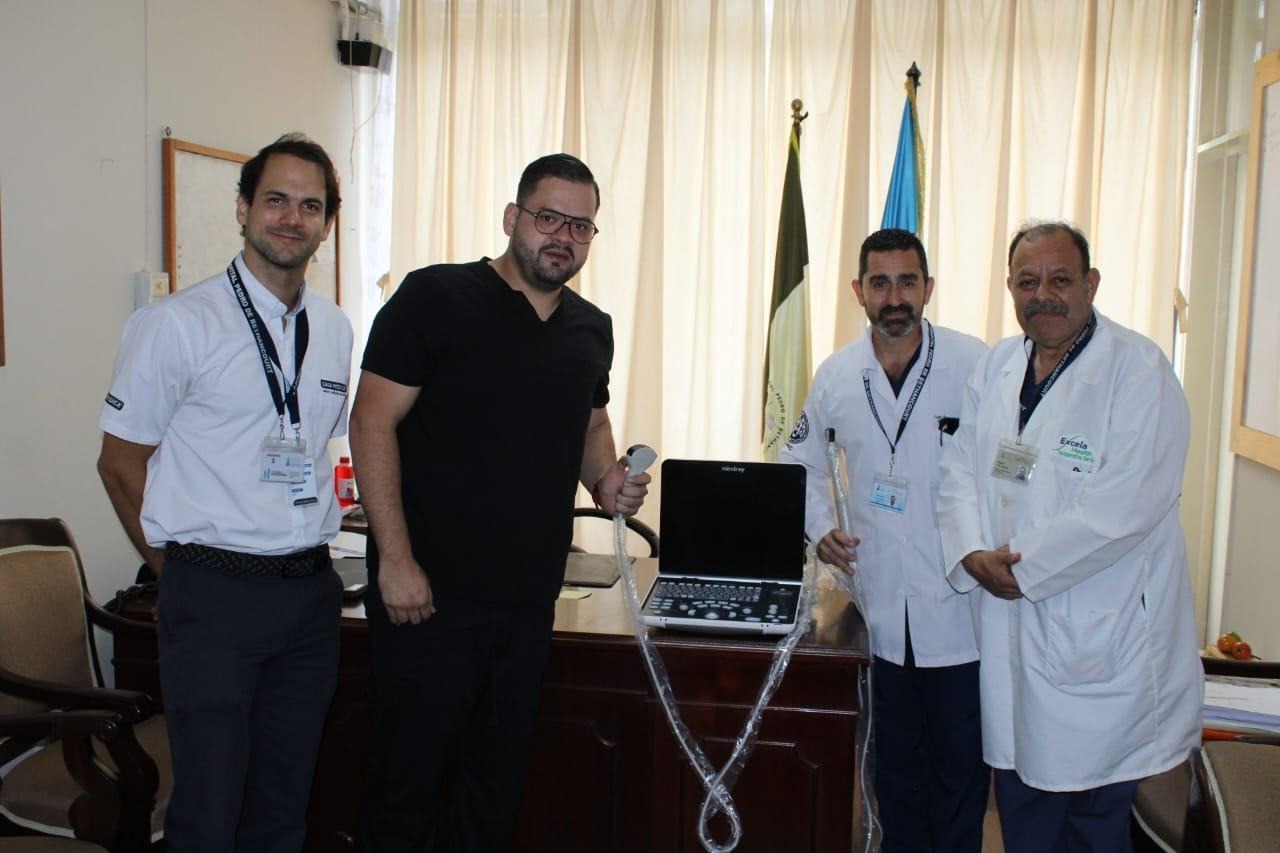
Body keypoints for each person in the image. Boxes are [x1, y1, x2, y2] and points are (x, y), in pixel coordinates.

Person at [349, 153, 650, 851]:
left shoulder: (591, 326)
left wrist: (604, 482)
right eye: (548, 218)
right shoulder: (434, 297)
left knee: (493, 792)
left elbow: (591, 425)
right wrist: (395, 560)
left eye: (580, 225)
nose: (563, 236)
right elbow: (371, 421)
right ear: (513, 217)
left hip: (527, 604)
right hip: (426, 598)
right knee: (403, 791)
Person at [97, 133, 352, 851]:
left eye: (310, 206)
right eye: (276, 200)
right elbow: (119, 464)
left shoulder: (334, 329)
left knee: (283, 809)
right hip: (213, 595)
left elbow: (314, 443)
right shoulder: (176, 324)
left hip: (309, 594)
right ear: (243, 209)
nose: (292, 219)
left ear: (327, 225)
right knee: (209, 814)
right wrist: (178, 573)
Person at [936, 222, 1201, 852]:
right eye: (1028, 281)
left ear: (1091, 284)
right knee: (1023, 799)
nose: (1043, 295)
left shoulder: (1138, 370)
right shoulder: (998, 365)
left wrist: (1019, 568)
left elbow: (1126, 507)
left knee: (1094, 817)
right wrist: (971, 551)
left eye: (1060, 279)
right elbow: (959, 468)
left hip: (1104, 641)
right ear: (1010, 287)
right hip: (1012, 628)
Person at [782, 228, 989, 852]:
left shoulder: (976, 365)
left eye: (907, 282)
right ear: (859, 291)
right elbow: (800, 465)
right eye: (880, 283)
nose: (894, 297)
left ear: (928, 288)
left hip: (959, 608)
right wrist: (821, 529)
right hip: (877, 605)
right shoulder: (837, 375)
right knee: (893, 769)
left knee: (960, 769)